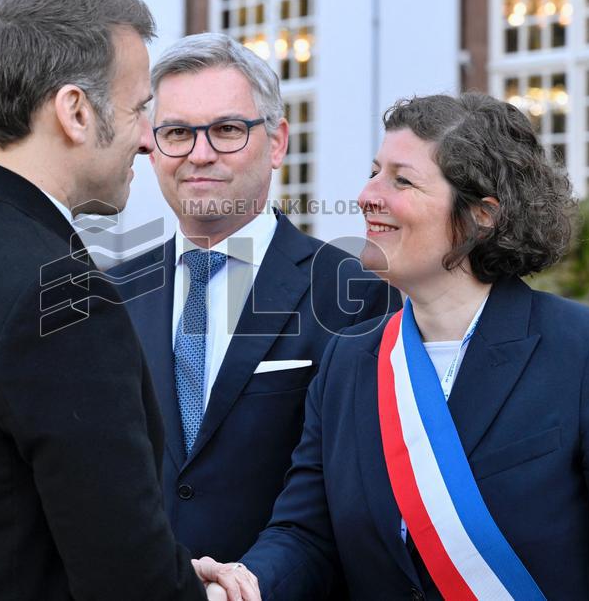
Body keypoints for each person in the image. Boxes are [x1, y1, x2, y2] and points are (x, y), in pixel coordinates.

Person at [198, 93, 589, 599]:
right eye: (373, 172)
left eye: (401, 180)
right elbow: (306, 534)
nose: (367, 195)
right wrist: (243, 585)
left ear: (483, 215)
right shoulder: (348, 362)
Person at [0, 0, 253, 601]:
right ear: (75, 111)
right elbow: (123, 575)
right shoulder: (63, 292)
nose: (148, 138)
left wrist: (172, 570)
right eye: (136, 109)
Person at [110, 33, 400, 567]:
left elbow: (359, 493)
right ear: (152, 148)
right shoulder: (112, 296)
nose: (200, 154)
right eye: (177, 132)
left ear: (277, 142)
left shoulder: (355, 292)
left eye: (226, 130)